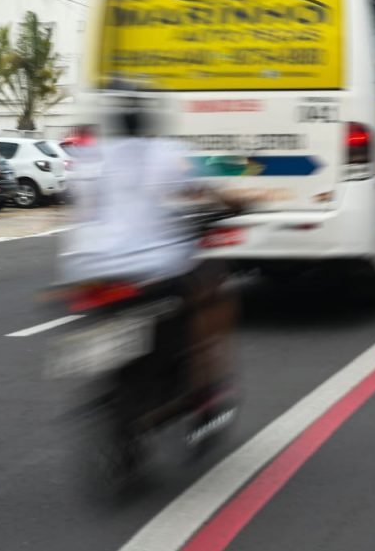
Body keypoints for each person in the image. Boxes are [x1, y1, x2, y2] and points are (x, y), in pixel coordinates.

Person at [60, 101, 246, 415]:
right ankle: (205, 388)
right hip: (155, 269)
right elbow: (208, 189)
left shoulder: (91, 157)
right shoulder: (168, 153)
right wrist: (235, 206)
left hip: (88, 271)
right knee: (213, 288)